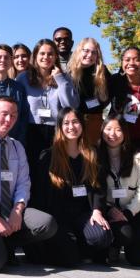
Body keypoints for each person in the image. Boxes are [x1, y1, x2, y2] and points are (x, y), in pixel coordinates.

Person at [0, 96, 57, 272]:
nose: (9, 120)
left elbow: (24, 182)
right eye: (4, 114)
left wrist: (18, 210)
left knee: (47, 224)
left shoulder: (17, 146)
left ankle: (8, 241)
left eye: (14, 115)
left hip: (10, 208)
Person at [30, 108, 112, 267]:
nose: (71, 127)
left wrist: (97, 210)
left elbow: (99, 187)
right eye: (66, 123)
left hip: (83, 214)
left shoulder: (93, 154)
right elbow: (39, 194)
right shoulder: (48, 156)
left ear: (82, 124)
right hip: (58, 217)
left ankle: (83, 245)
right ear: (59, 127)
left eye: (75, 122)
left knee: (102, 236)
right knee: (71, 258)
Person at [15, 39, 79, 169]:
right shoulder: (23, 78)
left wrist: (60, 79)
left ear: (56, 56)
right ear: (36, 56)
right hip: (31, 131)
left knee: (55, 172)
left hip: (56, 131)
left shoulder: (64, 77)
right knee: (32, 171)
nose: (46, 57)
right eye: (42, 53)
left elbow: (71, 106)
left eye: (50, 54)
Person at [99, 113, 140, 266]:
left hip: (134, 212)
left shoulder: (139, 156)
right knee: (124, 235)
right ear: (102, 131)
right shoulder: (95, 155)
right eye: (108, 129)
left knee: (139, 259)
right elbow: (95, 189)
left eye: (118, 130)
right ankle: (113, 244)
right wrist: (108, 209)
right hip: (109, 212)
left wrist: (128, 212)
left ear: (125, 133)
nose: (112, 134)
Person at [68, 37, 111, 147]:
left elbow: (109, 95)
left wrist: (98, 105)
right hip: (74, 121)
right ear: (79, 51)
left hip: (95, 121)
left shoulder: (102, 72)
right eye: (86, 51)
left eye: (94, 52)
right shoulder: (70, 72)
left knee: (94, 156)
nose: (90, 55)